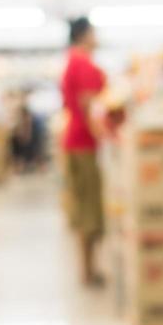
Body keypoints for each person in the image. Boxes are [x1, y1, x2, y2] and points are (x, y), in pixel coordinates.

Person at [60, 16, 106, 286]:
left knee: (84, 205)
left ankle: (88, 268)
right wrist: (105, 136)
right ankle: (88, 271)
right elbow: (88, 105)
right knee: (89, 208)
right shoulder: (83, 63)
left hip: (76, 141)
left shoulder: (72, 62)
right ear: (83, 35)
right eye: (93, 32)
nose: (96, 37)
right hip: (84, 144)